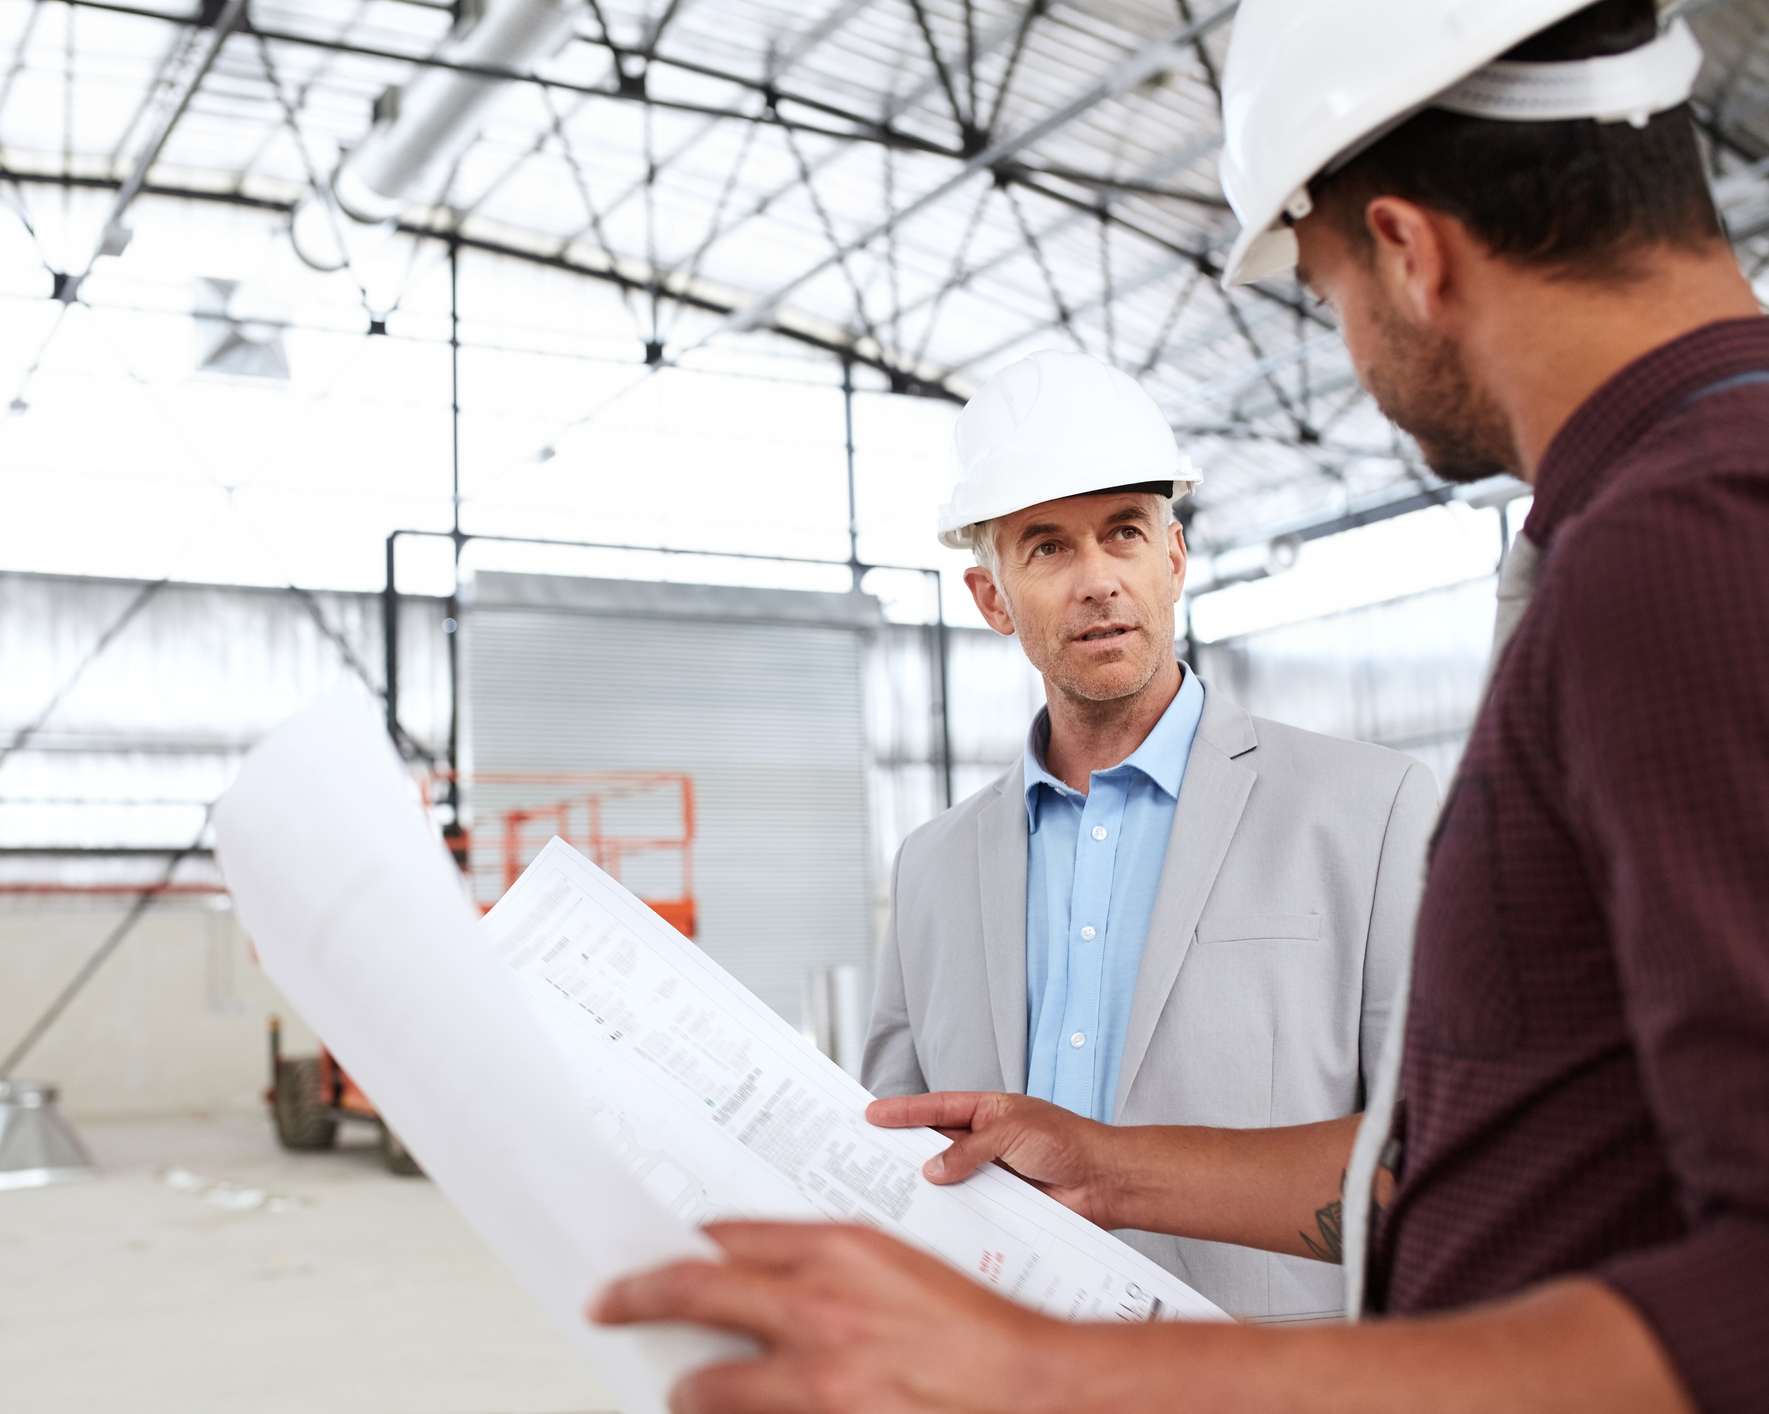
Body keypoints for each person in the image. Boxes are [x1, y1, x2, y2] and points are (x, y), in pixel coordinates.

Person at [592, 1, 1767, 1410]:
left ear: (1405, 250)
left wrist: (1049, 1371)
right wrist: (1102, 1161)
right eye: (1043, 546)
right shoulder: (1644, 523)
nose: (1343, 341)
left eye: (1323, 288)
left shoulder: (1689, 539)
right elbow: (1496, 1164)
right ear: (991, 590)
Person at [863, 349, 1435, 1320]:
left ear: (1172, 560)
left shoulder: (1368, 811)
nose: (1097, 581)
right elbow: (893, 1153)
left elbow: (1430, 1158)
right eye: (1046, 547)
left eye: (1123, 534)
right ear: (991, 599)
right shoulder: (932, 868)